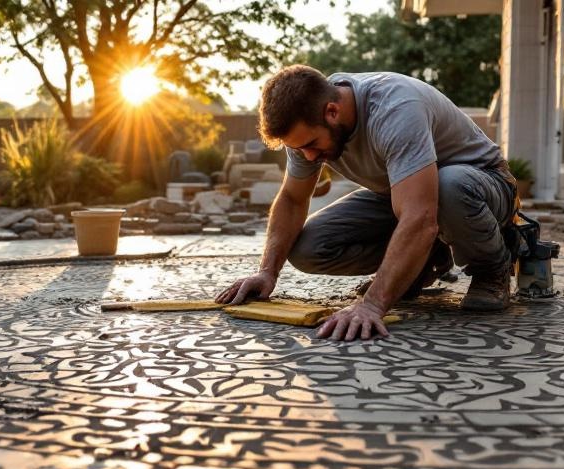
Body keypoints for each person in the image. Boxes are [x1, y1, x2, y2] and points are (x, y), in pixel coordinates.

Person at [215, 65, 518, 341]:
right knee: (309, 248)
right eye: (299, 148)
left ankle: (492, 268)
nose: (308, 156)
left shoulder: (395, 108)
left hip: (484, 187)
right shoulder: (307, 119)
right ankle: (420, 264)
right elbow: (293, 200)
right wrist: (267, 271)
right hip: (403, 194)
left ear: (332, 111)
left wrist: (372, 304)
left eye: (310, 145)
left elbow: (420, 217)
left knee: (448, 186)